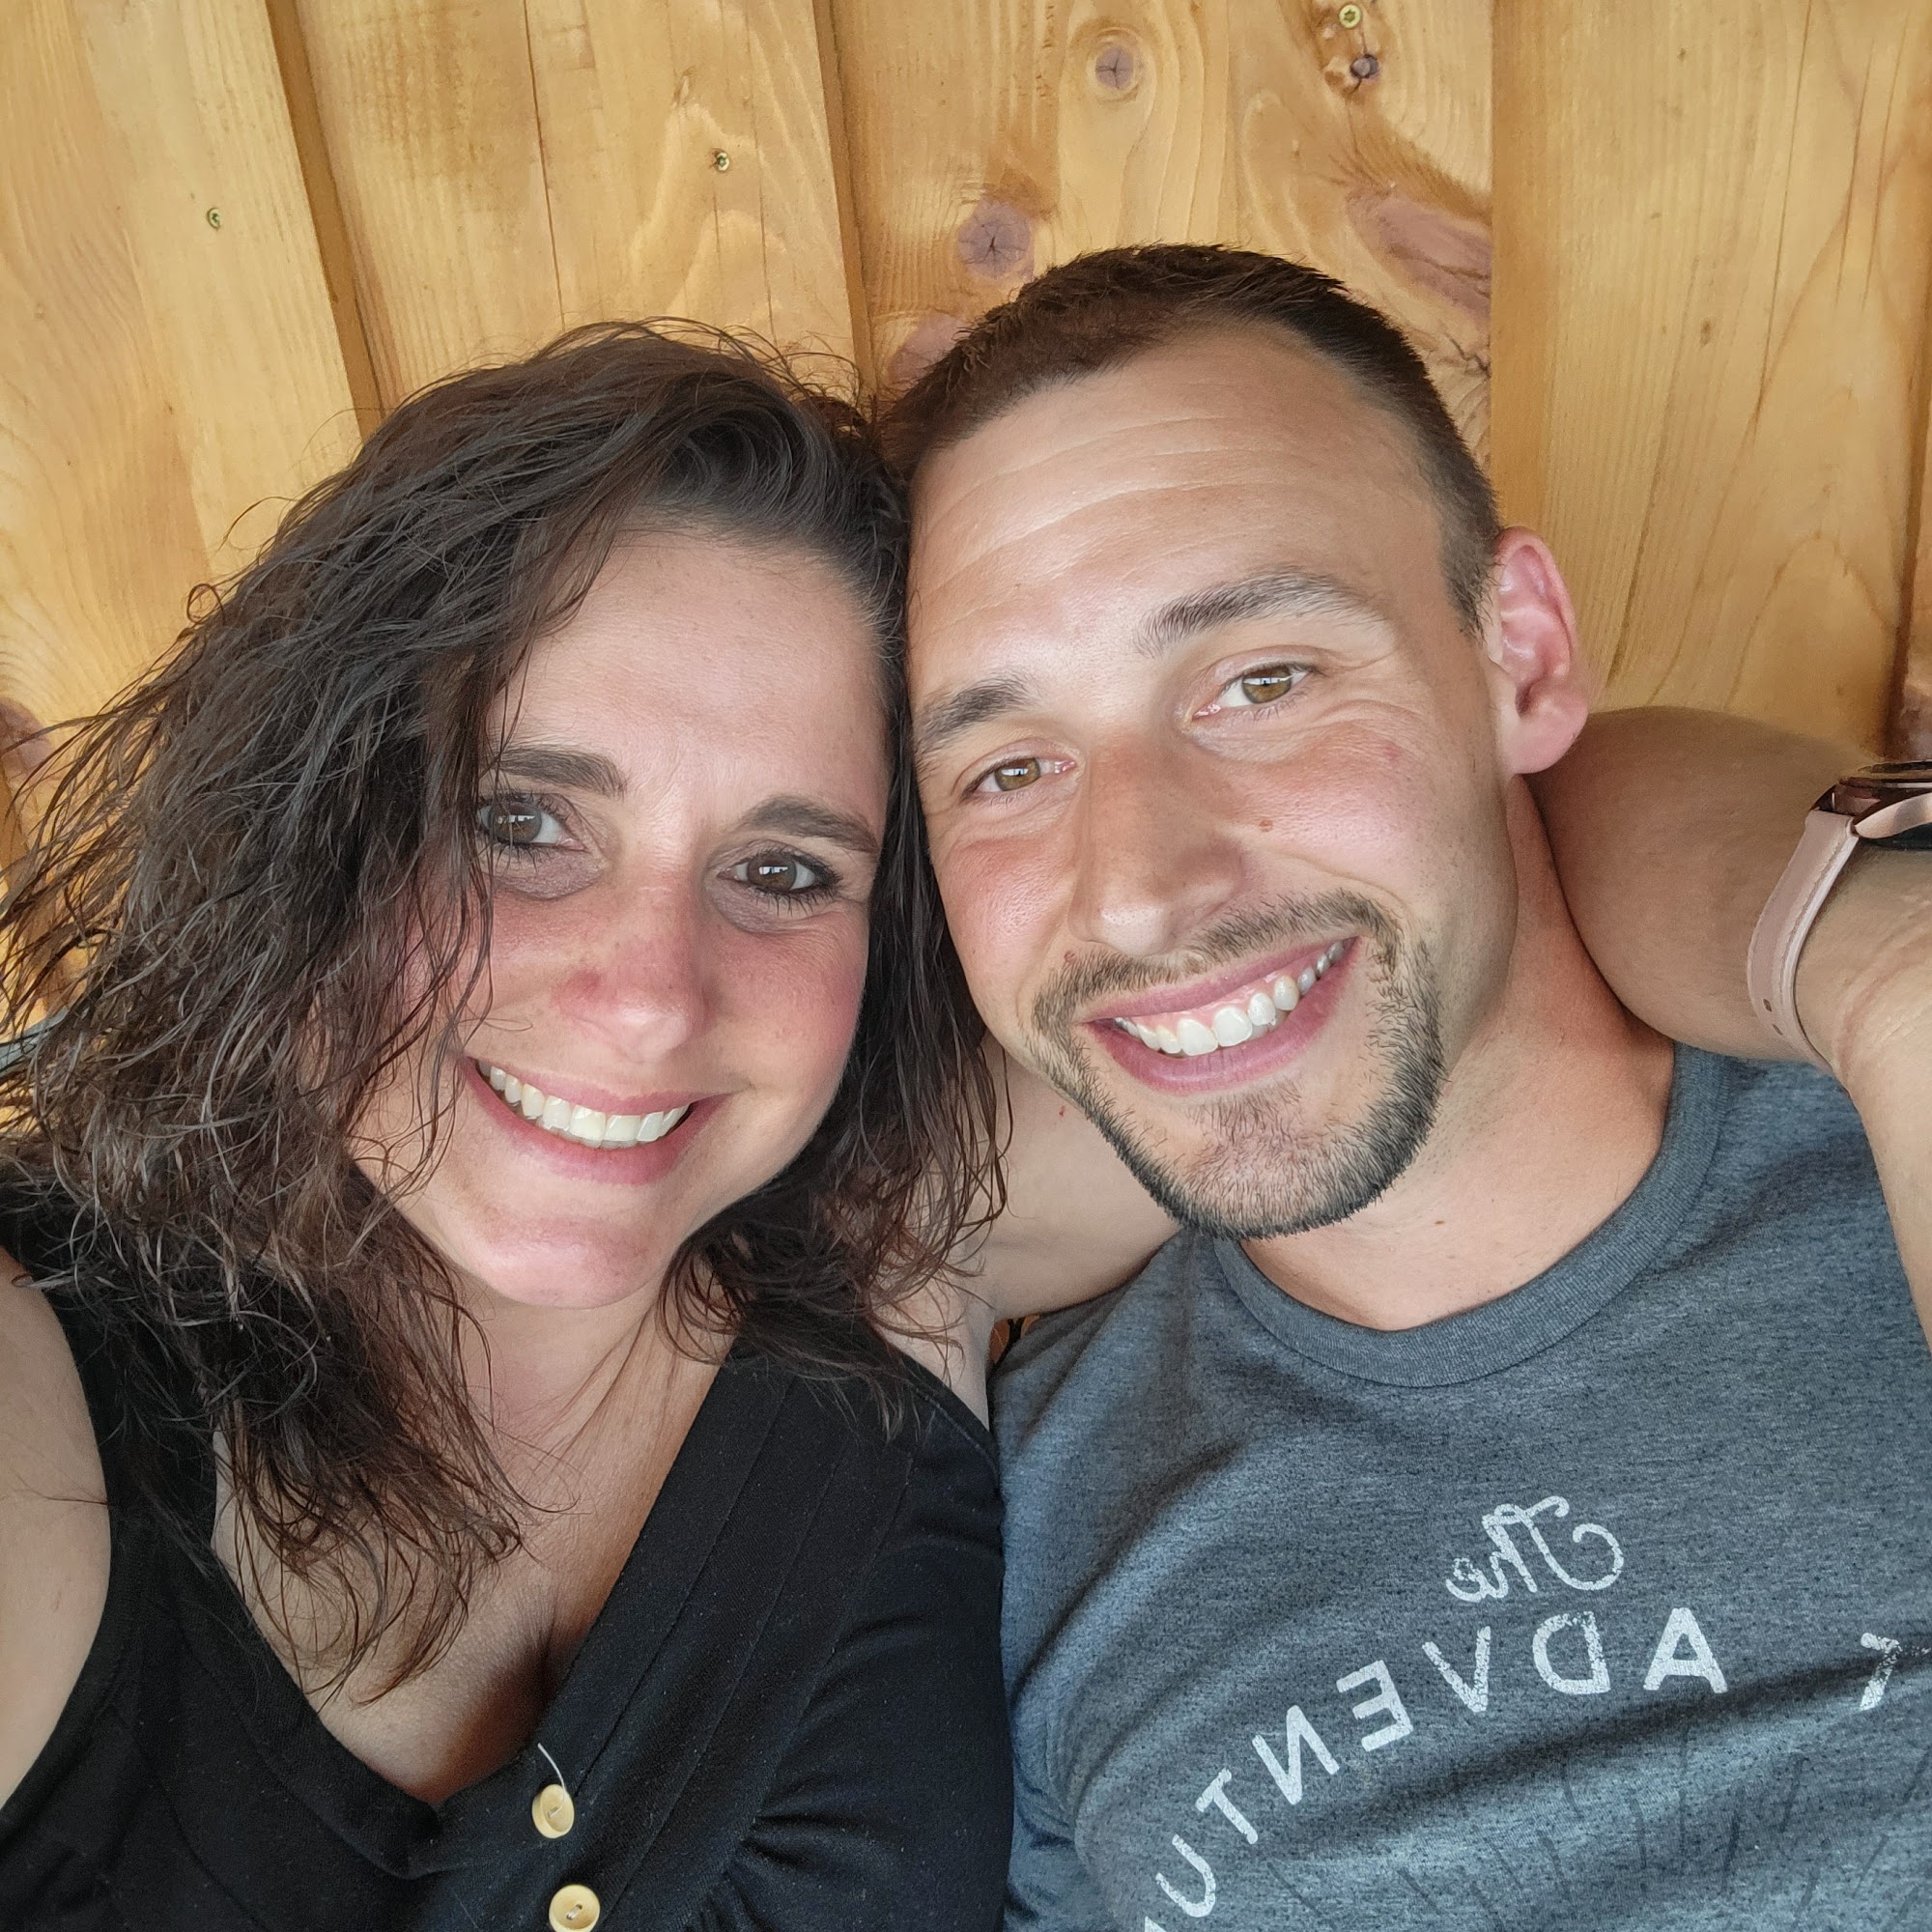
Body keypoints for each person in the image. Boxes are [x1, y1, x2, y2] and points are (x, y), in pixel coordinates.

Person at [884, 245, 1932, 1928]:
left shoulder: (1895, 1157)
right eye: (1011, 767)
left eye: (1261, 682)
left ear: (1520, 657)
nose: (1138, 891)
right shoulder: (1010, 1512)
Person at [0, 326, 1011, 1931]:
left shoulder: (904, 1245)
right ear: (309, 820)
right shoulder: (46, 1398)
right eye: (520, 821)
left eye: (783, 871)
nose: (650, 1000)